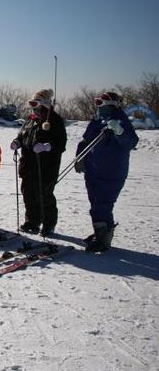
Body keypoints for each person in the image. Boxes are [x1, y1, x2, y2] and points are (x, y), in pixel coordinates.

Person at [76, 92, 138, 252]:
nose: (97, 107)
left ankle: (104, 240)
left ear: (111, 104)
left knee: (103, 205)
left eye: (100, 103)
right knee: (95, 202)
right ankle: (100, 233)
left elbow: (130, 142)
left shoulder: (120, 120)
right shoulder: (97, 120)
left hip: (111, 171)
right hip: (93, 169)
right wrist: (80, 157)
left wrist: (119, 132)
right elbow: (85, 140)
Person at [10, 89, 67, 236]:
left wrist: (47, 147)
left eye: (36, 104)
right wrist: (17, 142)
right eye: (32, 105)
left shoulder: (54, 120)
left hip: (45, 168)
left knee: (44, 196)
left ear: (44, 104)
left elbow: (61, 144)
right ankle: (32, 221)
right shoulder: (30, 119)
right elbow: (22, 135)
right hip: (28, 165)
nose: (33, 108)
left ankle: (49, 224)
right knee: (28, 194)